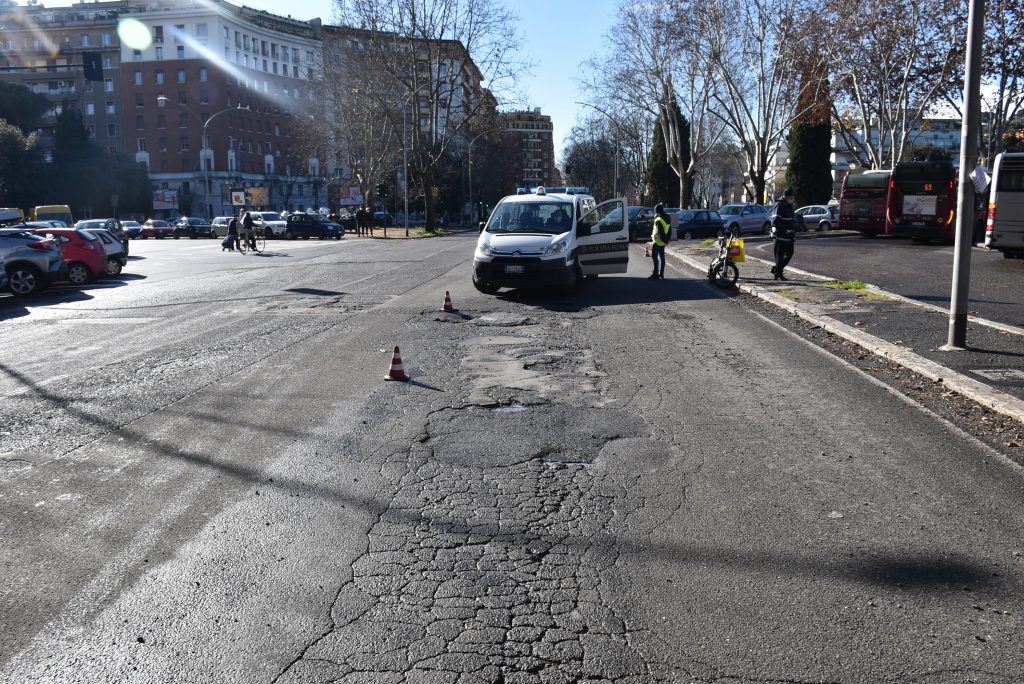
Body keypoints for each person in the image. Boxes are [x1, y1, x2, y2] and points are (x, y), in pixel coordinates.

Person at [772, 188, 797, 280]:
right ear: (785, 196)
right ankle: (778, 273)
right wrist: (784, 230)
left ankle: (777, 269)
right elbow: (775, 221)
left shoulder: (789, 205)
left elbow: (791, 219)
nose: (792, 198)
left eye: (792, 197)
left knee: (790, 253)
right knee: (780, 255)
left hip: (789, 236)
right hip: (780, 236)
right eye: (790, 197)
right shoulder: (779, 205)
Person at [649, 203, 670, 279]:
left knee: (654, 257)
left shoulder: (658, 219)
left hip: (658, 241)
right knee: (662, 257)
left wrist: (664, 240)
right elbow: (669, 230)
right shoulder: (667, 217)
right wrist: (667, 240)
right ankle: (661, 274)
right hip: (663, 242)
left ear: (657, 210)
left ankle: (655, 274)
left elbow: (660, 232)